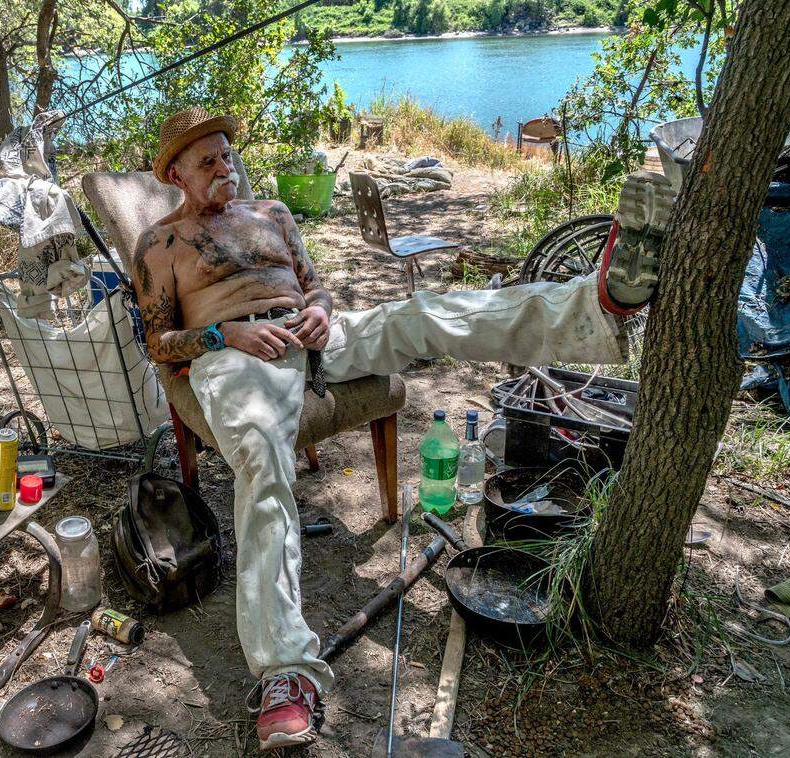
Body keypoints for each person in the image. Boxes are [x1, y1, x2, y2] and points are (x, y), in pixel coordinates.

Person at [131, 107, 669, 751]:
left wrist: (324, 314)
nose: (224, 167)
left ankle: (597, 304)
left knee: (423, 313)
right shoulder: (160, 244)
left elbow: (317, 287)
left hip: (310, 334)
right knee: (260, 461)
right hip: (238, 356)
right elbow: (160, 342)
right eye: (206, 161)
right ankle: (285, 671)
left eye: (225, 153)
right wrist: (227, 332)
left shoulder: (271, 214)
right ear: (176, 175)